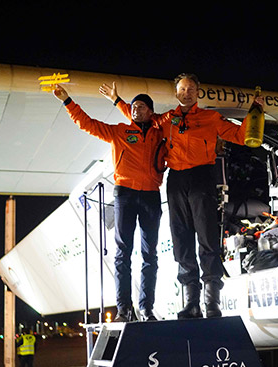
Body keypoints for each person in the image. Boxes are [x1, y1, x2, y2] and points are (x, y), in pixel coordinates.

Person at [102, 74, 264, 319]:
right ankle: (191, 304)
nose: (186, 92)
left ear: (197, 93)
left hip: (202, 179)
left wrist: (256, 111)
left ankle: (212, 303)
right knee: (181, 240)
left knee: (207, 239)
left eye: (191, 89)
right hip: (175, 181)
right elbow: (141, 117)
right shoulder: (168, 118)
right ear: (176, 94)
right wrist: (117, 101)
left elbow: (241, 136)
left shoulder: (211, 118)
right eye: (182, 89)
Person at [53, 84, 165, 322]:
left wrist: (118, 100)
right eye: (133, 106)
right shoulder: (120, 131)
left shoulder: (160, 132)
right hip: (124, 194)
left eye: (141, 106)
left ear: (151, 111)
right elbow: (88, 124)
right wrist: (67, 101)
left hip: (151, 196)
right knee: (122, 253)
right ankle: (124, 309)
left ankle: (146, 308)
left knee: (150, 254)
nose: (135, 110)